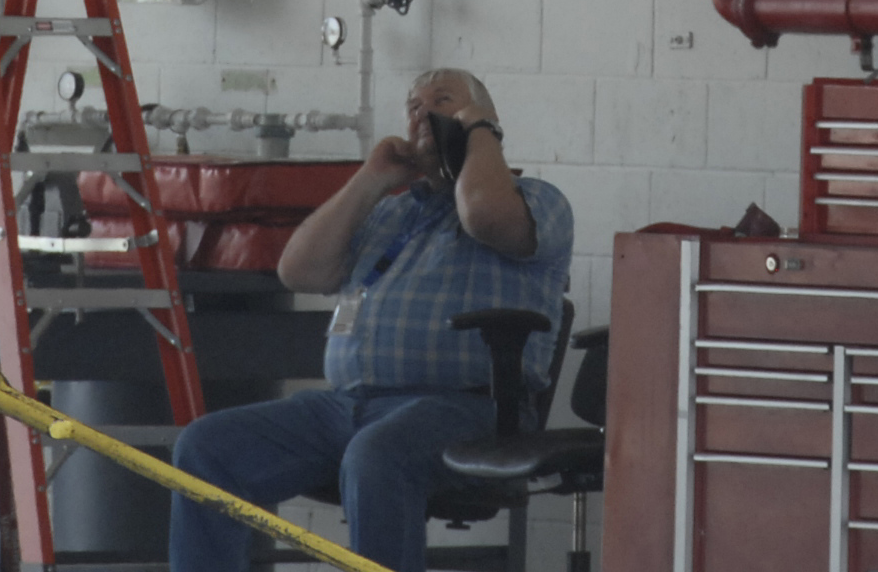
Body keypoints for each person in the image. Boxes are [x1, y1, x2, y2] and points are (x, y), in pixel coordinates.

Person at [167, 67, 574, 572]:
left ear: (482, 117)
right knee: (207, 446)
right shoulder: (390, 213)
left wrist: (480, 134)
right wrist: (372, 178)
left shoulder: (538, 200)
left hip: (468, 408)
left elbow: (485, 216)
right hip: (350, 406)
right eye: (412, 105)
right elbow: (298, 271)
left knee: (377, 455)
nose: (421, 112)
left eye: (442, 100)